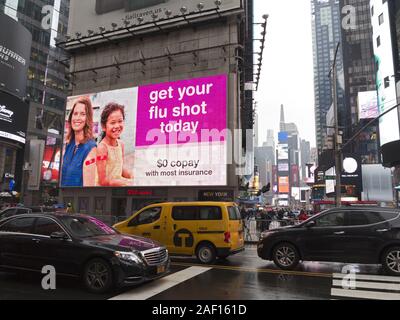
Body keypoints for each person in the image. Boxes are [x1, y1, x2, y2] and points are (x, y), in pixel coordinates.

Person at [61, 96, 97, 187]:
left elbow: (88, 190)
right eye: (75, 113)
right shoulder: (68, 145)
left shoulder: (91, 149)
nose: (77, 118)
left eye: (82, 114)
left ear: (88, 118)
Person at [97, 103, 133, 187]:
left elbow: (119, 168)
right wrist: (126, 183)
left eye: (120, 121)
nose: (117, 126)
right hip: (104, 192)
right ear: (103, 126)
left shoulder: (121, 144)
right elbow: (103, 181)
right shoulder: (102, 148)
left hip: (118, 188)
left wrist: (131, 175)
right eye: (112, 123)